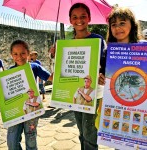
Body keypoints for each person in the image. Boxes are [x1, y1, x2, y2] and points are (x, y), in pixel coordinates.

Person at [50, 3, 106, 150]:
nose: (78, 20)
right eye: (74, 17)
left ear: (89, 18)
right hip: (75, 94)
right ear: (70, 20)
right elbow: (63, 68)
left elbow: (105, 63)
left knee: (90, 133)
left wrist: (103, 75)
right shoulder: (66, 43)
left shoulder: (98, 40)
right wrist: (55, 55)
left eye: (83, 16)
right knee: (82, 131)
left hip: (94, 94)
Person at [99, 6, 145, 150]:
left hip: (140, 107)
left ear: (132, 25)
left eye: (122, 23)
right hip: (117, 109)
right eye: (114, 24)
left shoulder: (144, 48)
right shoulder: (107, 52)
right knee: (120, 144)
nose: (117, 27)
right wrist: (101, 79)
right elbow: (103, 75)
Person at [7, 39, 53, 150]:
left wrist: (55, 58)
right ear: (11, 55)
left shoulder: (34, 67)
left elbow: (52, 78)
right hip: (16, 110)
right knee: (12, 140)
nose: (19, 56)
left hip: (32, 109)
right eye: (15, 54)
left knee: (31, 137)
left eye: (23, 53)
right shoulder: (10, 70)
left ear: (28, 53)